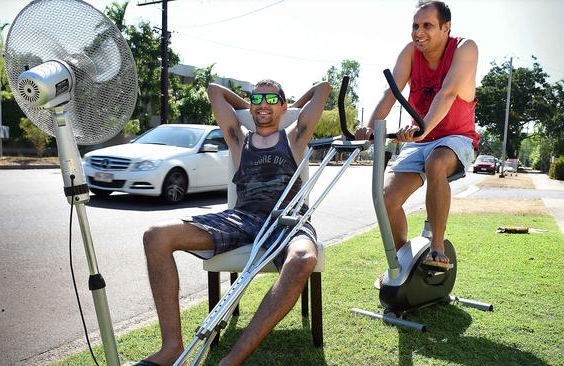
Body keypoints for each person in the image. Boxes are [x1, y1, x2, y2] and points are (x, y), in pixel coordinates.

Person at [138, 79, 330, 366]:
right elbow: (215, 90)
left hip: (289, 218)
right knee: (156, 235)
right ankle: (171, 349)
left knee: (303, 258)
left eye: (271, 99)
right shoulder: (239, 139)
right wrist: (255, 108)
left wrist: (286, 110)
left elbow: (323, 88)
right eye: (257, 99)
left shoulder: (294, 137)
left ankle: (232, 359)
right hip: (242, 217)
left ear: (284, 105)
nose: (263, 104)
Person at [356, 0, 479, 275]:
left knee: (436, 163)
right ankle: (403, 261)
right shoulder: (411, 52)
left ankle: (437, 247)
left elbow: (447, 93)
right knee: (386, 198)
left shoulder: (464, 48)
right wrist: (369, 129)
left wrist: (422, 128)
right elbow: (391, 93)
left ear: (446, 28)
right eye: (415, 26)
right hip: (420, 139)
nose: (418, 32)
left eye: (427, 26)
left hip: (456, 137)